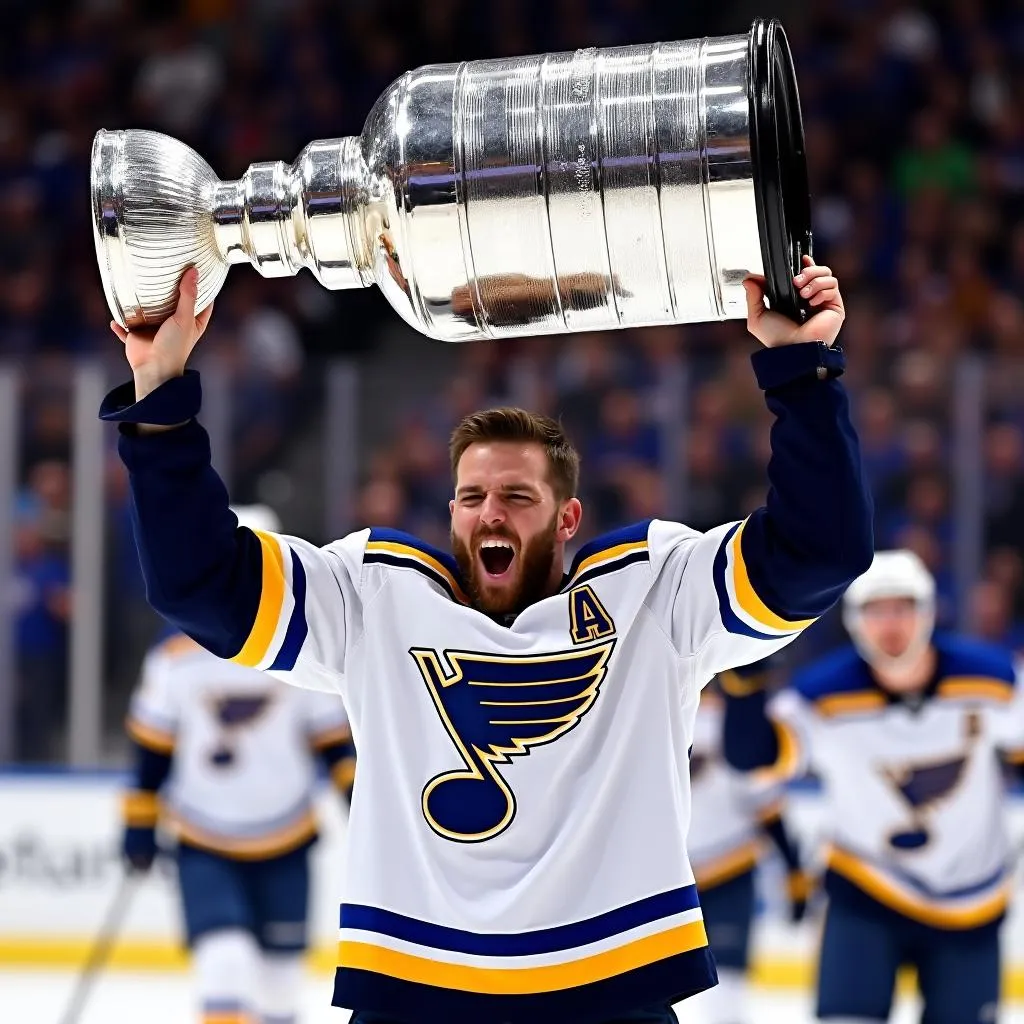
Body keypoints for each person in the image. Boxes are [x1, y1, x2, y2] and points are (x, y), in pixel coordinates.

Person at [100, 257, 871, 1024]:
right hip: (415, 988)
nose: (489, 514)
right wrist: (161, 395)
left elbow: (819, 552)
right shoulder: (374, 597)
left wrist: (801, 371)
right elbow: (196, 583)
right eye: (471, 496)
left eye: (516, 496)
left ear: (567, 520)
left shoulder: (654, 592)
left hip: (613, 988)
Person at [722, 550, 1024, 1024]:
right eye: (876, 610)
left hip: (972, 898)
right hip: (866, 890)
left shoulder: (991, 681)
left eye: (903, 608)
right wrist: (745, 687)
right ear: (854, 620)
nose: (891, 624)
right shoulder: (822, 696)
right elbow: (754, 762)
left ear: (928, 613)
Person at [120, 504, 355, 1024]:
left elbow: (334, 745)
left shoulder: (304, 654)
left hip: (287, 836)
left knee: (280, 988)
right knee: (223, 965)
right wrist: (138, 825)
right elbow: (150, 759)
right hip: (204, 840)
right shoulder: (174, 663)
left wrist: (360, 806)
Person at [686, 661, 809, 1024]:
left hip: (728, 870)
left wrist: (794, 868)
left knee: (726, 996)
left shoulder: (736, 721)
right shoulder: (647, 715)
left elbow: (767, 806)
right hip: (663, 878)